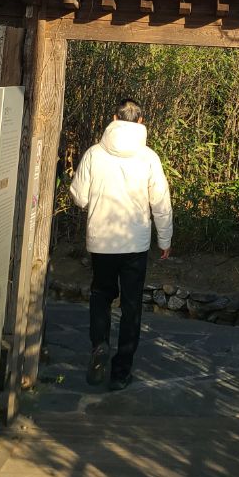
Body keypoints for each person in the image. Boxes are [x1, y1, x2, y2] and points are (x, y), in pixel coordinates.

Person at [70, 97, 173, 391]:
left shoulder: (94, 154)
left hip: (101, 242)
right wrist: (164, 239)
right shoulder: (149, 157)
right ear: (141, 122)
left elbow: (79, 197)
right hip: (135, 245)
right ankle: (121, 372)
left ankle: (99, 344)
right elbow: (160, 203)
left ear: (114, 118)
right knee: (131, 305)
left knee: (100, 295)